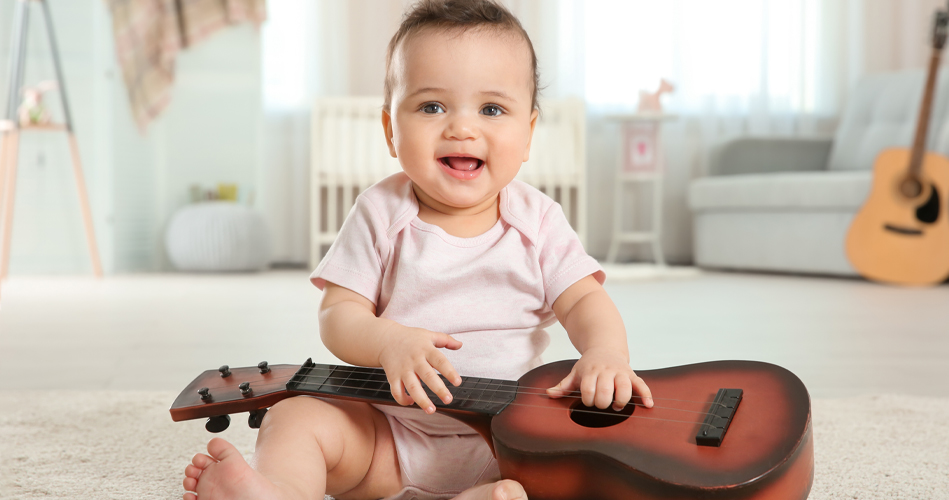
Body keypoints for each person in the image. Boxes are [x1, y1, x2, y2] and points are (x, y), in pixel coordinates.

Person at [182, 1, 653, 499]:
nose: (462, 128)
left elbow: (583, 301)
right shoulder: (380, 211)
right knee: (295, 413)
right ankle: (278, 490)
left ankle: (477, 494)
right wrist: (388, 341)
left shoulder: (537, 220)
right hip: (385, 436)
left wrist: (605, 352)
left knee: (558, 477)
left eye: (491, 109)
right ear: (390, 129)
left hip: (507, 447)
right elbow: (338, 314)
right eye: (432, 107)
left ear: (528, 133)